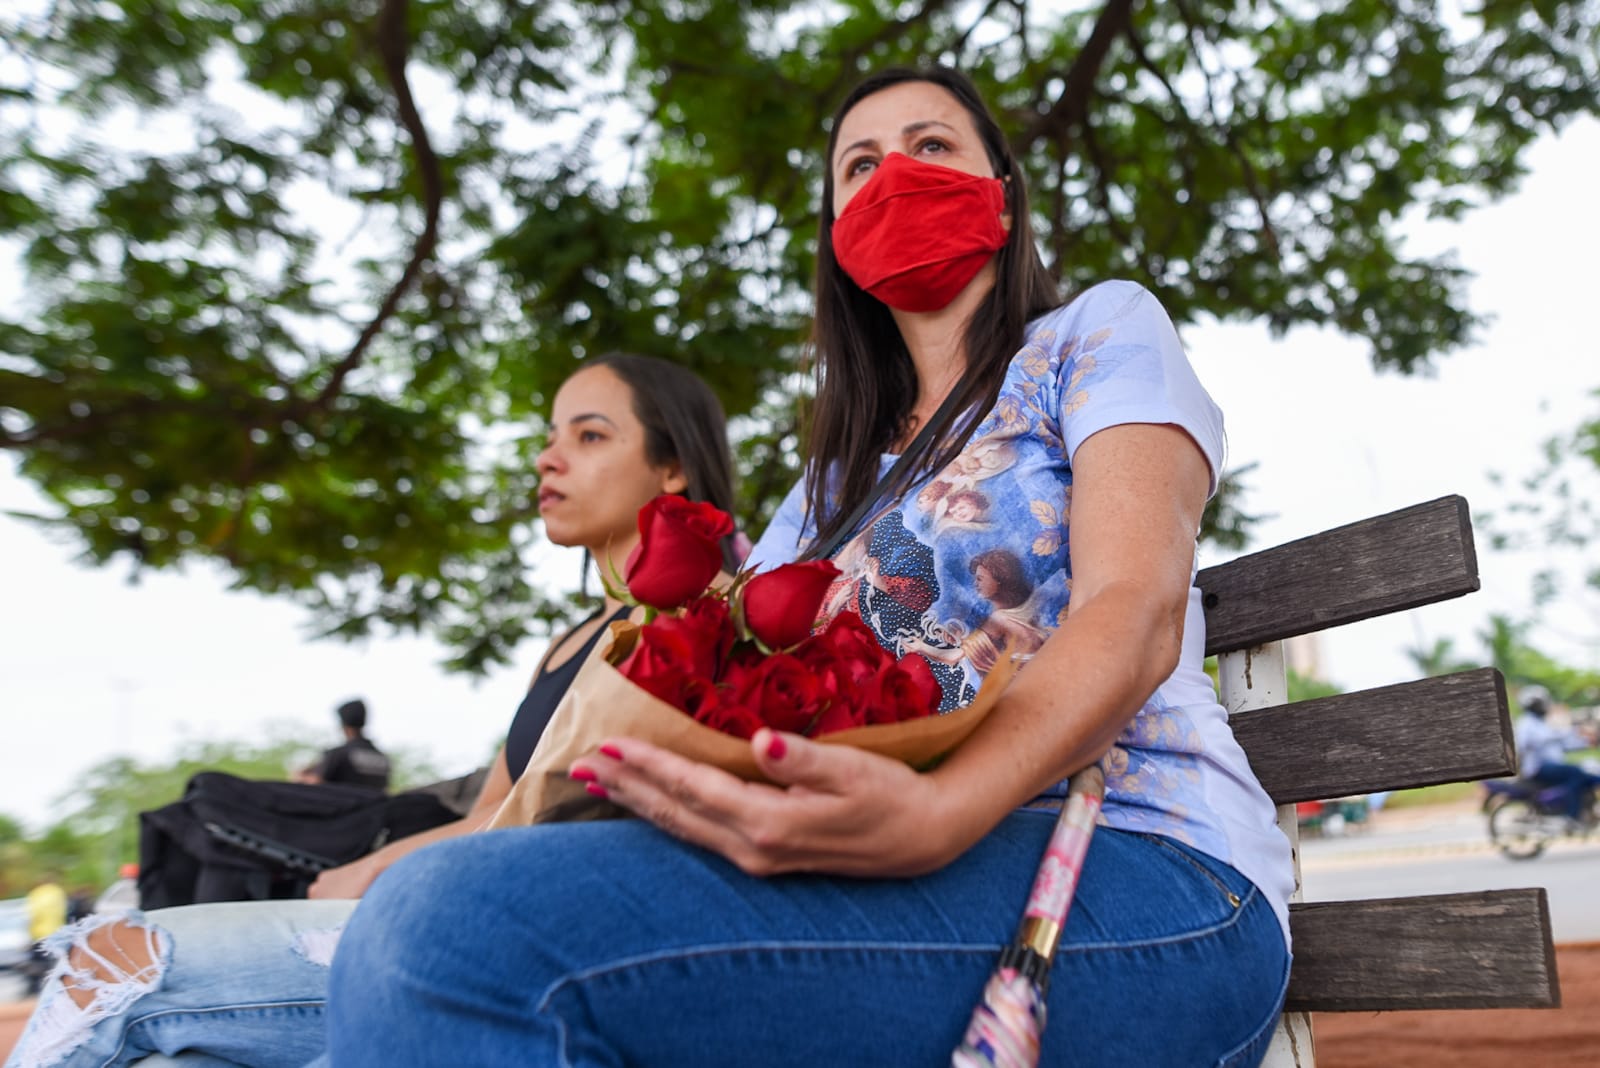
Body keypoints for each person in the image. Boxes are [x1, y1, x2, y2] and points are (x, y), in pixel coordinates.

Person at [319, 65, 1294, 1067]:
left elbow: (1133, 608)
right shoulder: (833, 479)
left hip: (1138, 869)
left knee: (449, 931)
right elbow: (732, 665)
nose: (895, 178)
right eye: (859, 166)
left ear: (1000, 195)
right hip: (868, 869)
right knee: (307, 987)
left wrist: (940, 811)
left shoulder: (1092, 336)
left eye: (931, 147)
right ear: (837, 234)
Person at [3, 354, 738, 1068]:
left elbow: (549, 827)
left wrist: (381, 875)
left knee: (112, 964)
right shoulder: (567, 643)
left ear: (673, 467)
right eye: (549, 436)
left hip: (515, 941)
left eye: (589, 435)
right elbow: (493, 808)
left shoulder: (698, 626)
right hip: (434, 904)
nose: (549, 459)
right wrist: (368, 867)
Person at [1513, 684, 1600, 824]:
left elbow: (1563, 743)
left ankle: (1585, 810)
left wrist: (1586, 742)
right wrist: (1563, 733)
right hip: (1538, 768)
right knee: (1575, 773)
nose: (1545, 706)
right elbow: (1528, 742)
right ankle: (1572, 816)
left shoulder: (1541, 723)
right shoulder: (1526, 723)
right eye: (1541, 704)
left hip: (1551, 766)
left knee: (1587, 773)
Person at [295, 699, 392, 791]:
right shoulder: (383, 758)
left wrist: (301, 775)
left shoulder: (339, 754)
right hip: (377, 807)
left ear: (344, 726)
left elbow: (316, 782)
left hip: (346, 807)